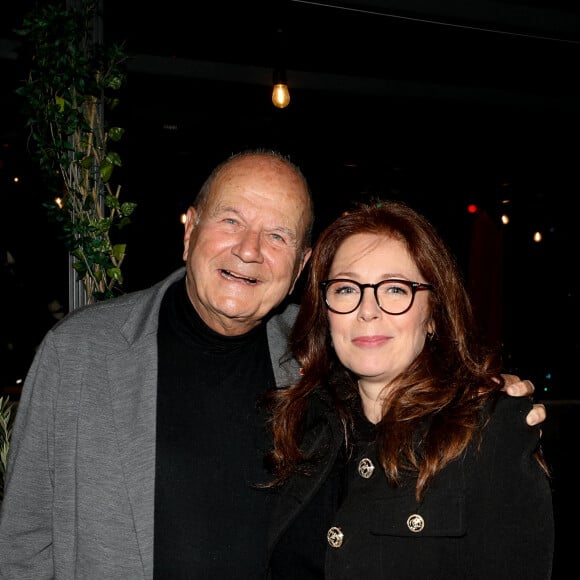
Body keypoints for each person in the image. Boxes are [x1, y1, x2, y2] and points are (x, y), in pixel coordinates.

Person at [0, 150, 544, 579]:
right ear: (189, 230)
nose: (249, 249)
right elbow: (24, 542)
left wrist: (483, 399)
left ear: (302, 264)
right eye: (231, 220)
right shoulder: (79, 352)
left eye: (278, 235)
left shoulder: (314, 365)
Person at [265, 200, 554, 579]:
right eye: (347, 289)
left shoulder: (487, 431)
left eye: (396, 290)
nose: (368, 310)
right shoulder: (301, 425)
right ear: (325, 312)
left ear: (433, 315)